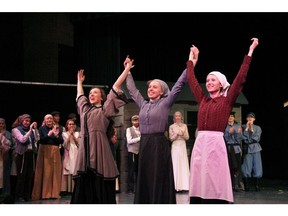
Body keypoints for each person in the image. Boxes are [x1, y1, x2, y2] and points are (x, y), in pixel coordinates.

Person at [186, 37, 259, 204]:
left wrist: (250, 51)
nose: (209, 82)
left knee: (215, 176)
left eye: (213, 80)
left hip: (216, 142)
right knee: (199, 175)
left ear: (221, 84)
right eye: (208, 80)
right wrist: (192, 60)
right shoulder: (203, 100)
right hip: (201, 142)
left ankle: (218, 202)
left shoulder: (226, 101)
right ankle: (198, 201)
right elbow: (191, 80)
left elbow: (241, 77)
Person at [124, 54, 190, 204]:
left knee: (157, 176)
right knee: (145, 177)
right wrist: (128, 71)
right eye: (149, 87)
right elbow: (133, 90)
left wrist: (190, 63)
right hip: (145, 144)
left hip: (158, 144)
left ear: (162, 91)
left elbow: (179, 84)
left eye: (155, 87)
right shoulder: (143, 104)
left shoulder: (165, 103)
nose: (150, 89)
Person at [71, 61, 131, 204]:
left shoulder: (105, 109)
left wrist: (127, 69)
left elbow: (115, 86)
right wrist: (79, 82)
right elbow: (80, 95)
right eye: (90, 93)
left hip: (99, 147)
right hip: (85, 150)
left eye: (95, 92)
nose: (91, 94)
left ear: (102, 97)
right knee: (85, 178)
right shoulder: (84, 109)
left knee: (99, 177)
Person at [31, 114, 64, 200]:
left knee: (55, 172)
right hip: (45, 151)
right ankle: (45, 194)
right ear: (45, 120)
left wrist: (56, 135)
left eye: (51, 118)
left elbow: (61, 141)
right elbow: (40, 140)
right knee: (46, 172)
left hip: (55, 151)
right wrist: (48, 135)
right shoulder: (42, 129)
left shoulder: (56, 128)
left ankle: (54, 193)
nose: (49, 120)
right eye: (47, 118)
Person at [11, 114, 39, 202]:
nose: (27, 123)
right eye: (25, 121)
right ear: (21, 121)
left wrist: (35, 129)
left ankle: (27, 195)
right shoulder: (15, 130)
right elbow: (22, 140)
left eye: (28, 121)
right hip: (22, 154)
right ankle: (19, 195)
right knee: (21, 175)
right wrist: (30, 130)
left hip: (31, 154)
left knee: (29, 175)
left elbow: (37, 139)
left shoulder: (32, 131)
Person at [169, 111, 190, 193]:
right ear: (174, 118)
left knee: (183, 164)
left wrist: (182, 134)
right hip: (175, 146)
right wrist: (176, 134)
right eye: (176, 116)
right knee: (175, 163)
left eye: (179, 116)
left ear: (181, 117)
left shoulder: (184, 126)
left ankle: (184, 186)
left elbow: (187, 137)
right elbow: (171, 138)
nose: (178, 117)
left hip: (182, 145)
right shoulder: (171, 126)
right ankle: (175, 186)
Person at [241, 112, 262, 192]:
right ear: (246, 119)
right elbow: (242, 137)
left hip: (256, 148)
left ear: (254, 119)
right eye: (248, 117)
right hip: (247, 148)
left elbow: (257, 138)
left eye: (251, 117)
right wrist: (246, 129)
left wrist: (252, 130)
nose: (250, 118)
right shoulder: (243, 126)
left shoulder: (258, 128)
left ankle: (257, 185)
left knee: (257, 166)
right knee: (246, 166)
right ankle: (247, 185)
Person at [224, 112, 243, 192]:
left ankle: (237, 184)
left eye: (232, 116)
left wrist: (237, 133)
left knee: (237, 166)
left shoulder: (237, 126)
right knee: (229, 166)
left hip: (236, 148)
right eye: (229, 116)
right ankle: (229, 185)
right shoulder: (224, 127)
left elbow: (239, 138)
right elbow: (225, 138)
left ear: (234, 118)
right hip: (228, 148)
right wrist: (229, 133)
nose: (230, 117)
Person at [60, 119, 80, 195]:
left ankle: (75, 188)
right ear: (67, 126)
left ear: (74, 126)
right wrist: (69, 135)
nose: (71, 125)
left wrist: (73, 135)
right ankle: (67, 189)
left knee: (75, 168)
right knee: (68, 168)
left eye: (72, 124)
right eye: (69, 124)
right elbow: (65, 144)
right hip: (68, 151)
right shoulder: (64, 134)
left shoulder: (78, 133)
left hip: (75, 151)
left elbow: (78, 143)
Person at [126, 114, 140, 194]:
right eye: (134, 120)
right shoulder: (129, 129)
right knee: (131, 171)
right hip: (132, 151)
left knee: (139, 171)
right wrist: (139, 138)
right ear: (132, 121)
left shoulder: (142, 129)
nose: (136, 122)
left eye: (137, 120)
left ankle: (138, 188)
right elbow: (129, 141)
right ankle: (130, 189)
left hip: (140, 152)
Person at [0, 118, 14, 201]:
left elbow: (12, 144)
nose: (1, 125)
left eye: (2, 123)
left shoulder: (8, 133)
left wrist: (5, 147)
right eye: (0, 123)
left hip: (5, 157)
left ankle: (5, 195)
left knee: (5, 176)